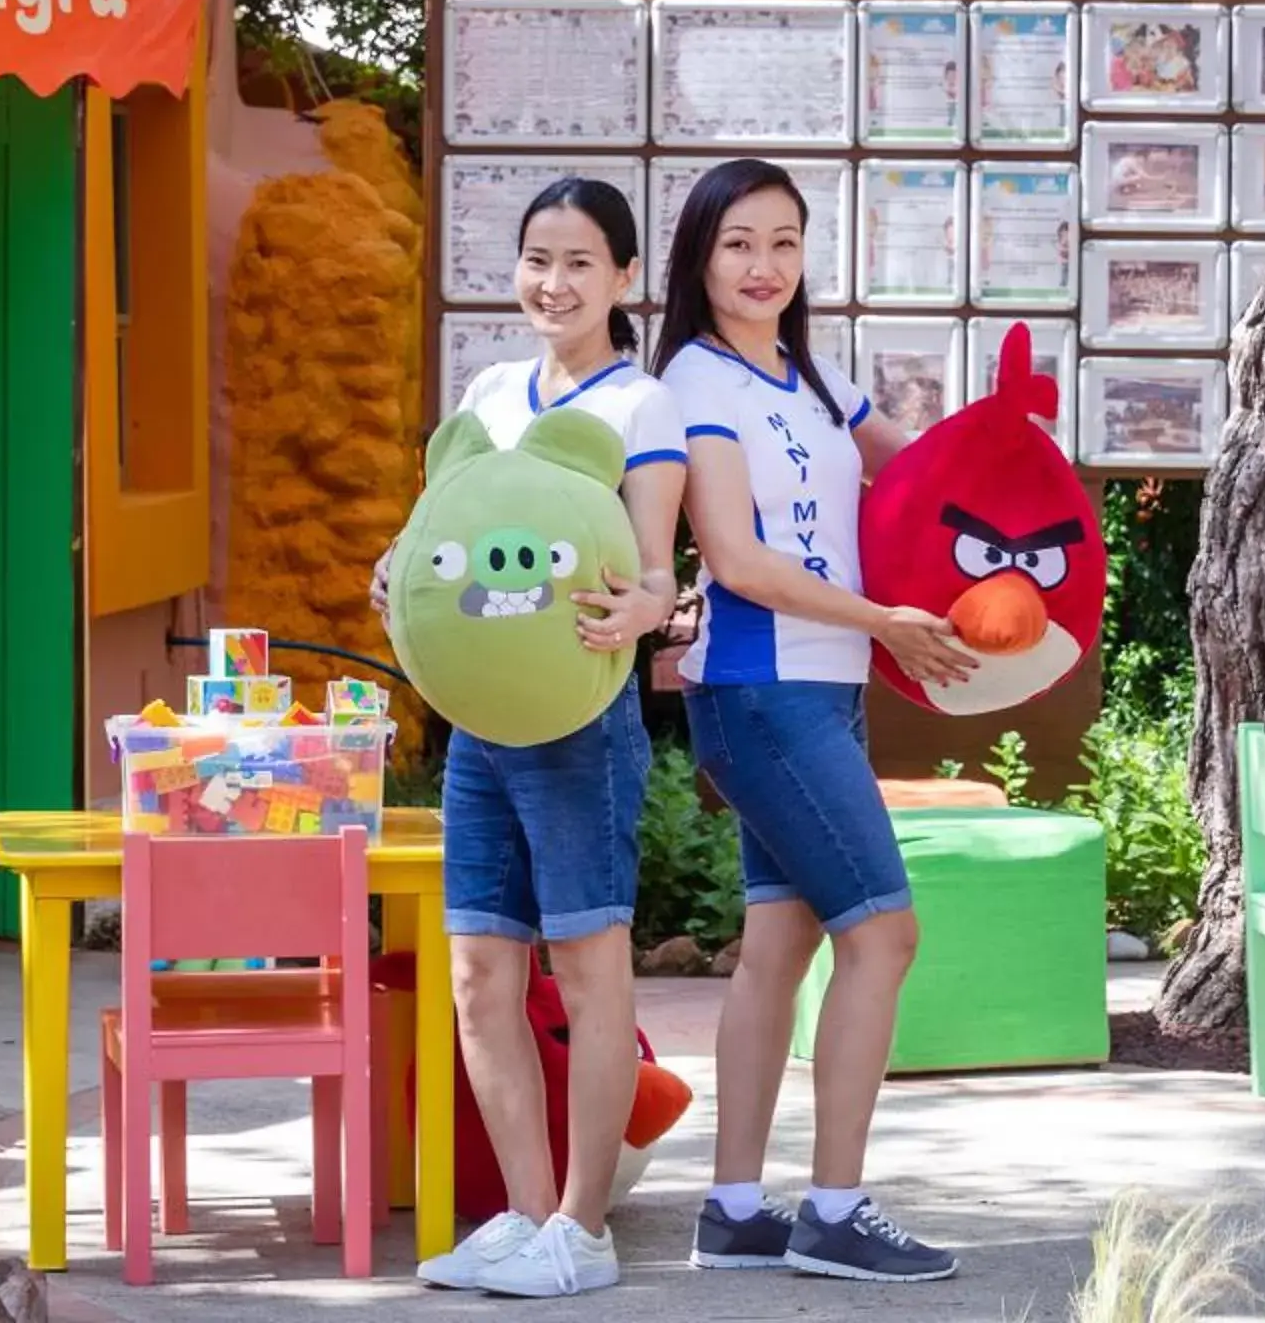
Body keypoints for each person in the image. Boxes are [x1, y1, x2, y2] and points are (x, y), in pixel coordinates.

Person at [649, 158, 976, 1285]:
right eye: (741, 242)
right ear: (700, 254)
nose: (764, 265)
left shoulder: (808, 375)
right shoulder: (695, 381)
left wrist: (1018, 462)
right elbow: (736, 560)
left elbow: (926, 469)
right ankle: (833, 1211)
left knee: (778, 946)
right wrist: (887, 615)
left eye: (785, 242)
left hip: (820, 688)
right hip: (761, 686)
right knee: (883, 931)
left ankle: (736, 1208)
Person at [380, 177, 683, 1299]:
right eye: (536, 258)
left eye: (578, 262)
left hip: (582, 721)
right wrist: (395, 574)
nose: (552, 283)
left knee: (591, 970)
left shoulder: (641, 406)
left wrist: (650, 607)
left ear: (622, 278)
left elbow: (655, 565)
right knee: (478, 975)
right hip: (477, 731)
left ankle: (583, 1224)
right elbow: (438, 539)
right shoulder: (490, 393)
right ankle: (521, 1213)